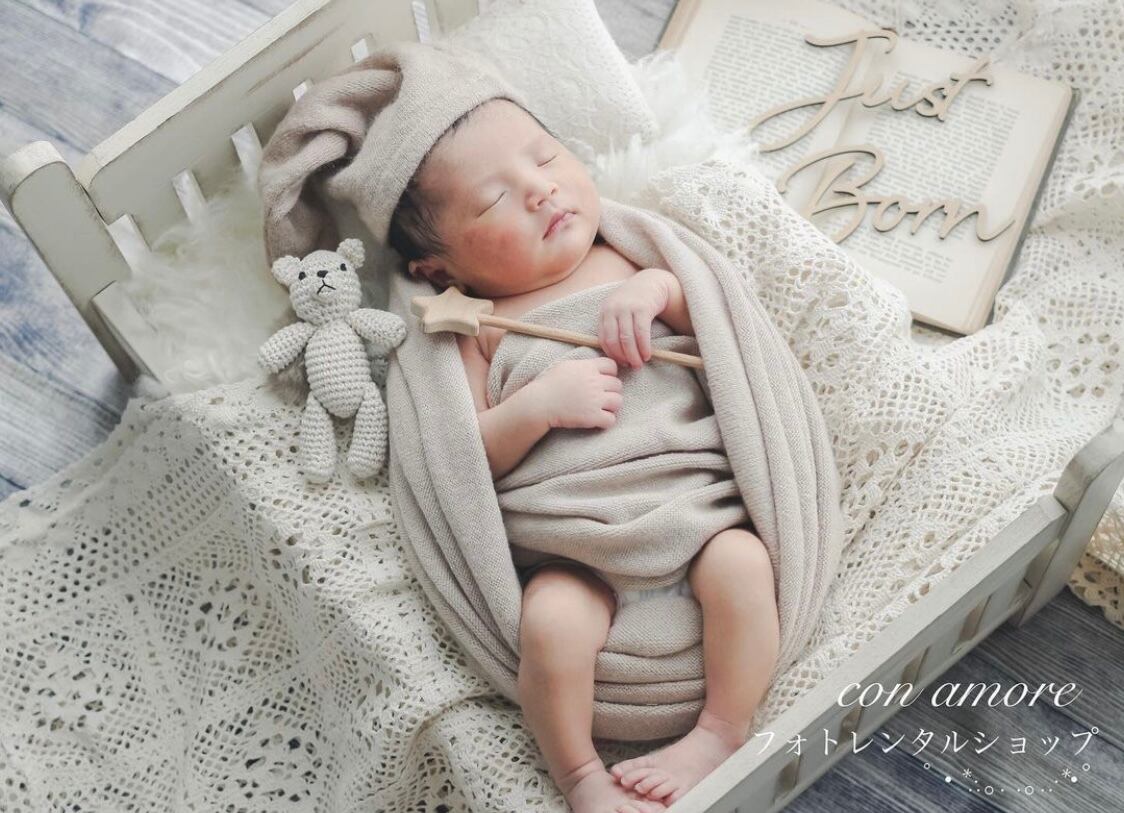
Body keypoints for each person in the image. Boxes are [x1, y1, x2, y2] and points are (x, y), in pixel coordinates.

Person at [390, 95, 779, 813]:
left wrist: (656, 291)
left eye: (545, 159)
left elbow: (725, 333)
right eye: (494, 199)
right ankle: (580, 776)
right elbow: (464, 460)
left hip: (694, 515)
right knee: (551, 620)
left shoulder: (629, 257)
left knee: (745, 562)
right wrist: (535, 407)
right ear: (440, 271)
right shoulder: (478, 328)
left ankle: (721, 730)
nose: (540, 189)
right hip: (576, 552)